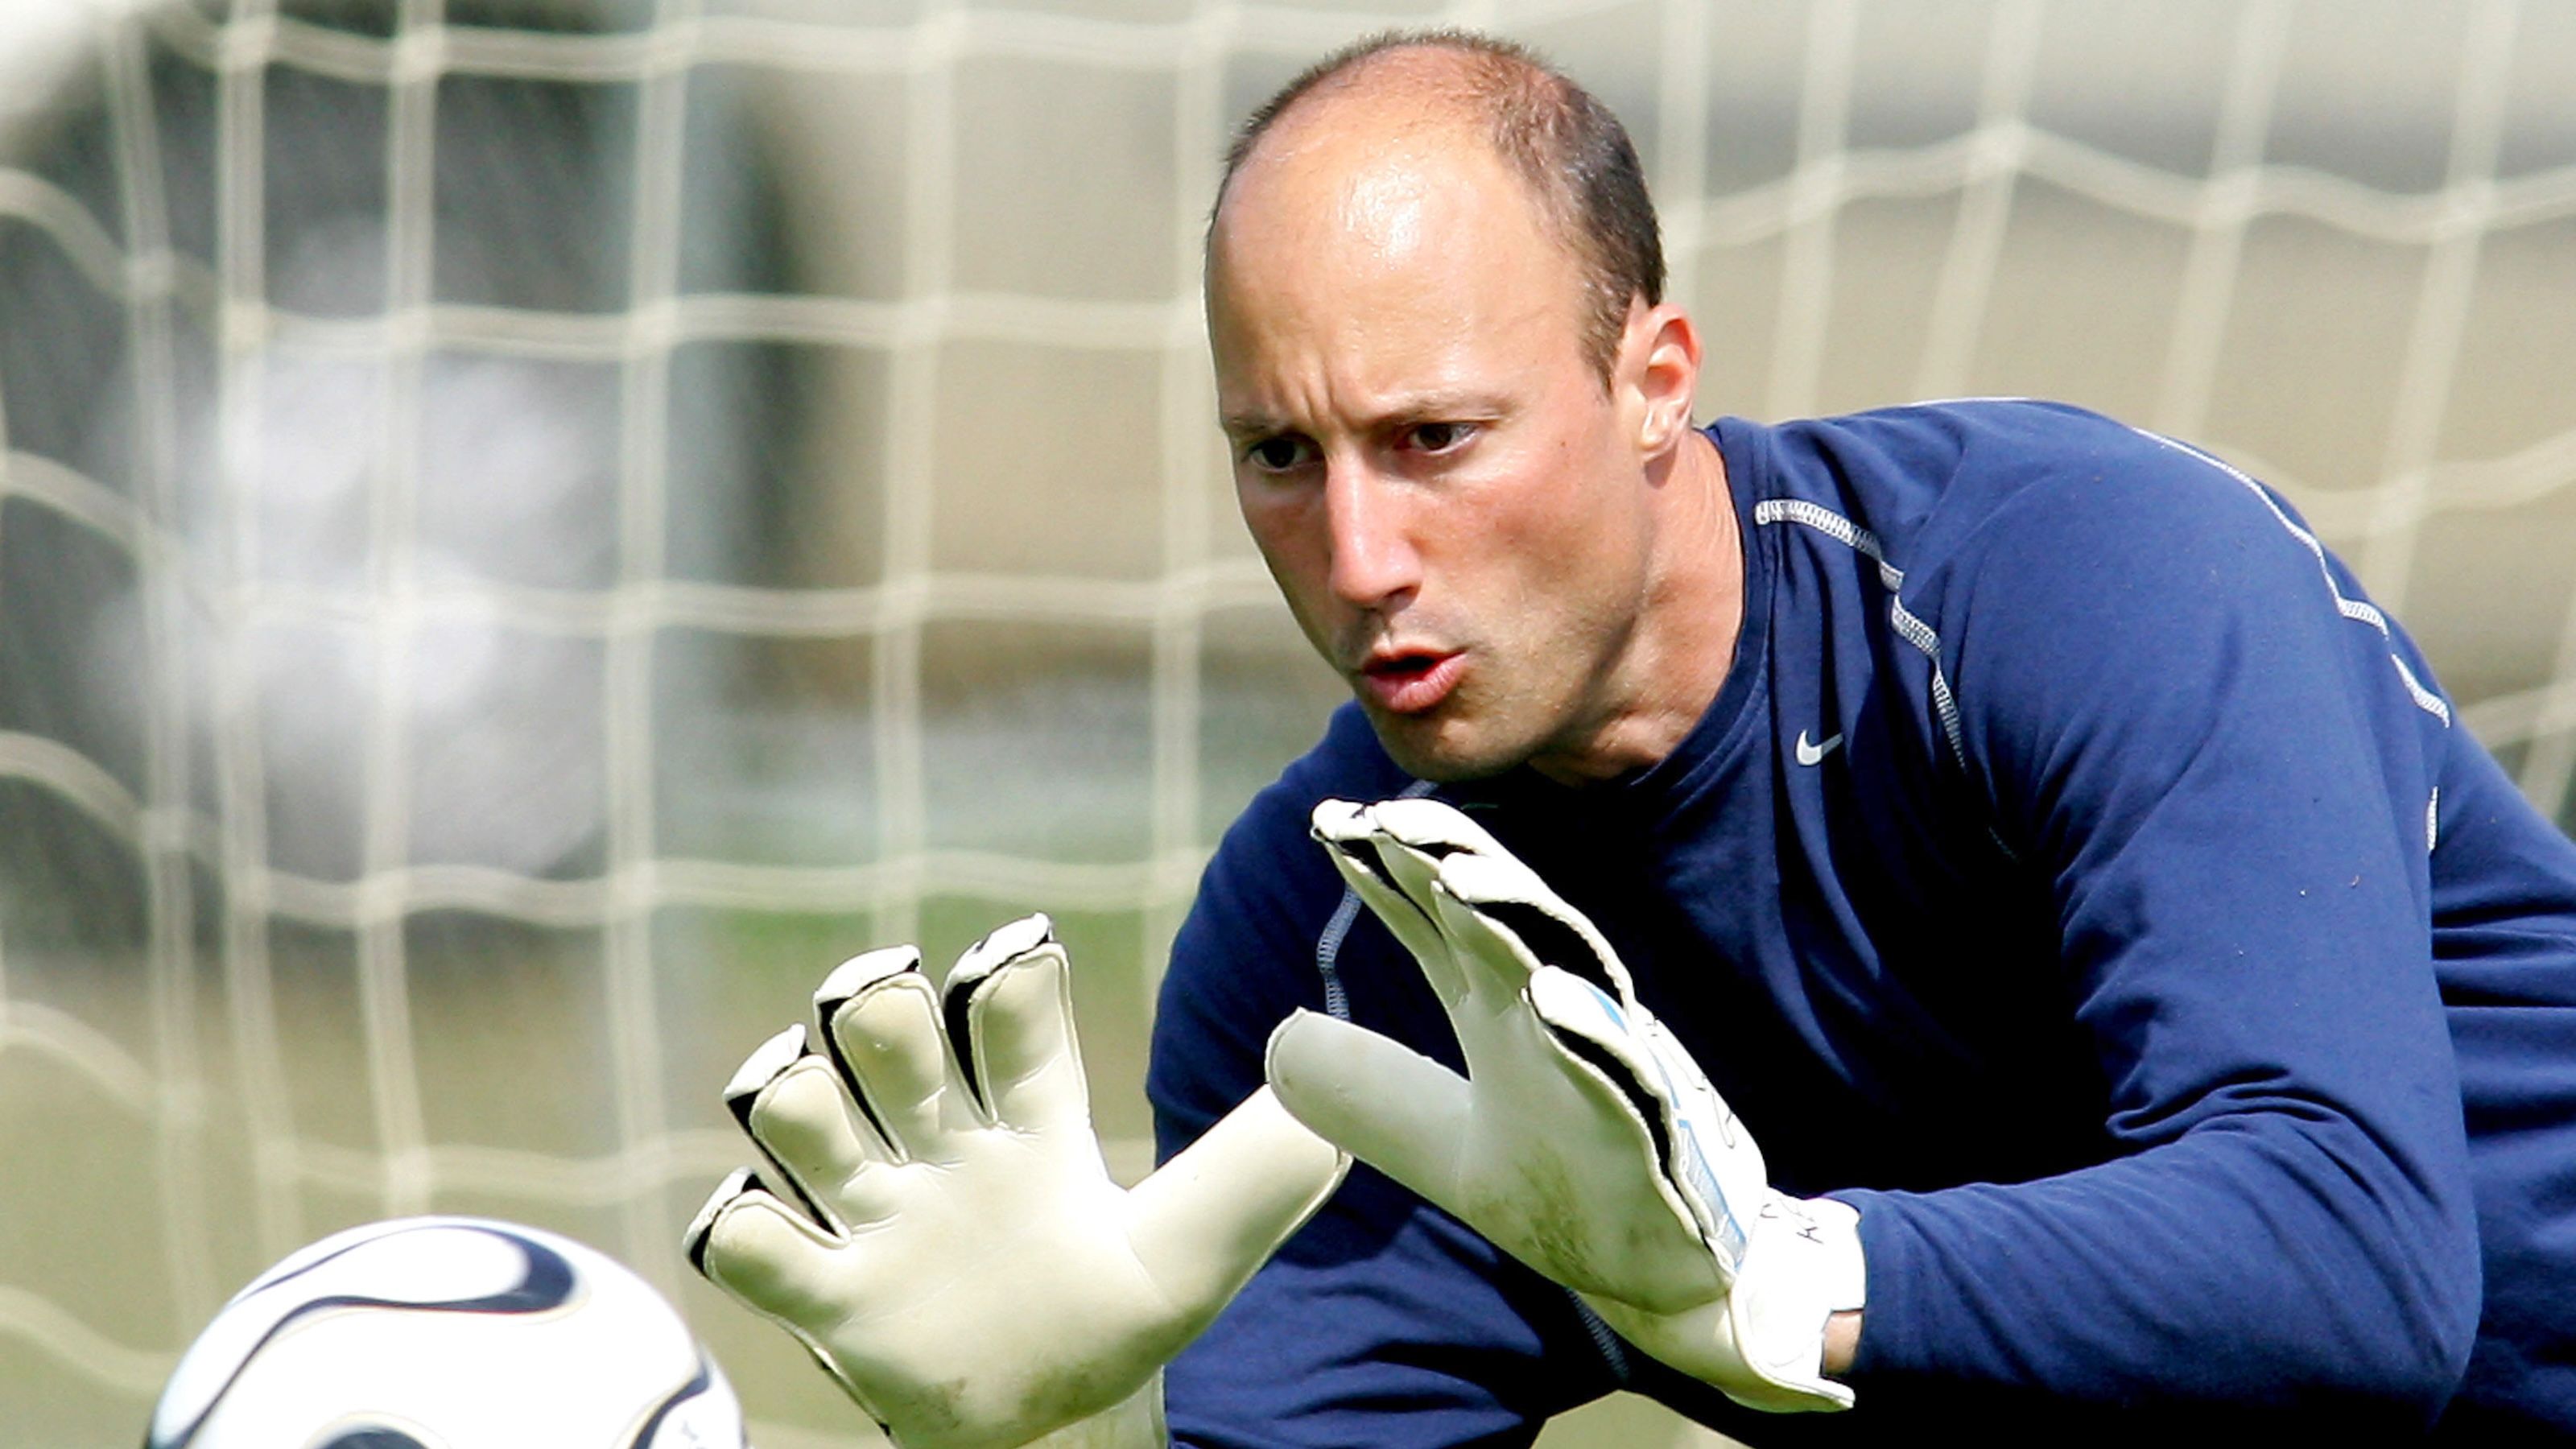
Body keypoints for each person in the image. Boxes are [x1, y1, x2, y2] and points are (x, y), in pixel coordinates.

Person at [688, 27, 2576, 1448]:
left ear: (1652, 378)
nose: (1355, 556)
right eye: (1281, 455)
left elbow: (2354, 1265)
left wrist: (1780, 1272)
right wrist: (1010, 1419)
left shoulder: (2069, 582)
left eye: (1434, 440)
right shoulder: (1342, 959)